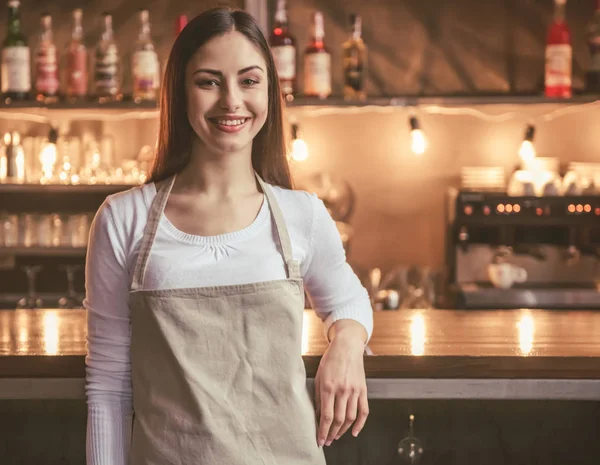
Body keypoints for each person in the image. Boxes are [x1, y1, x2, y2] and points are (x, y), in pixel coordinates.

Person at [84, 7, 373, 465]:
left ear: (270, 93)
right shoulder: (124, 218)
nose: (231, 101)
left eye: (249, 80)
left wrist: (347, 345)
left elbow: (350, 302)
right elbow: (108, 384)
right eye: (208, 81)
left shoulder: (303, 214)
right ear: (180, 92)